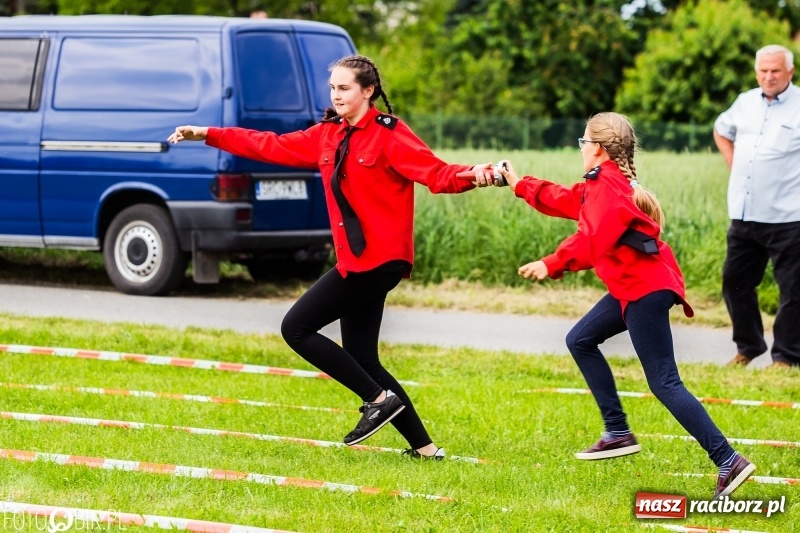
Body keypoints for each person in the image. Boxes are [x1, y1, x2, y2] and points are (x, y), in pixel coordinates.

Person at [168, 54, 495, 460]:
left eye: (344, 88)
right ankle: (425, 449)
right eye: (333, 88)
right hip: (355, 261)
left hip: (380, 259)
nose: (336, 96)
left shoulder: (390, 134)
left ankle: (377, 399)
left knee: (296, 328)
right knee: (362, 357)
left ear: (367, 91)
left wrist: (475, 174)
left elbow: (436, 173)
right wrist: (209, 134)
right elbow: (269, 145)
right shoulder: (328, 135)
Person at [483, 112, 755, 498]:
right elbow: (564, 199)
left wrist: (552, 262)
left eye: (582, 142)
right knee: (580, 339)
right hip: (632, 287)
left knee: (664, 382)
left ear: (596, 147)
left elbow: (592, 239)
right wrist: (518, 183)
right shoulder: (604, 184)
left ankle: (729, 460)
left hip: (644, 289)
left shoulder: (608, 187)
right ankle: (617, 432)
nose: (581, 149)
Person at [713, 44, 800, 369]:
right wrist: (731, 160)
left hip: (789, 216)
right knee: (735, 282)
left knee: (793, 290)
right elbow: (722, 130)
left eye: (775, 71)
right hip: (745, 213)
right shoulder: (745, 102)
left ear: (789, 72)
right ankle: (748, 347)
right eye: (763, 71)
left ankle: (786, 358)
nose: (768, 77)